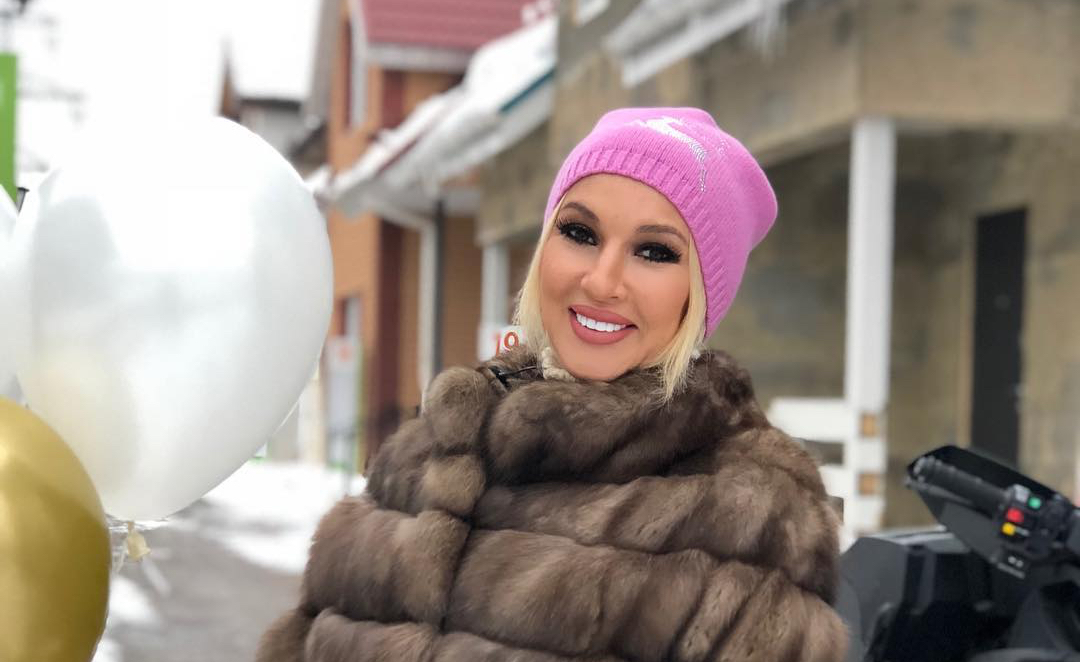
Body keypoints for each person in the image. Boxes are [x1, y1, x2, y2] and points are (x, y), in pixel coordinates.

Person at [257, 107, 849, 662]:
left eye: (653, 252)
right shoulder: (439, 440)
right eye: (581, 233)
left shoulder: (753, 510)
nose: (602, 280)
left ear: (699, 295)